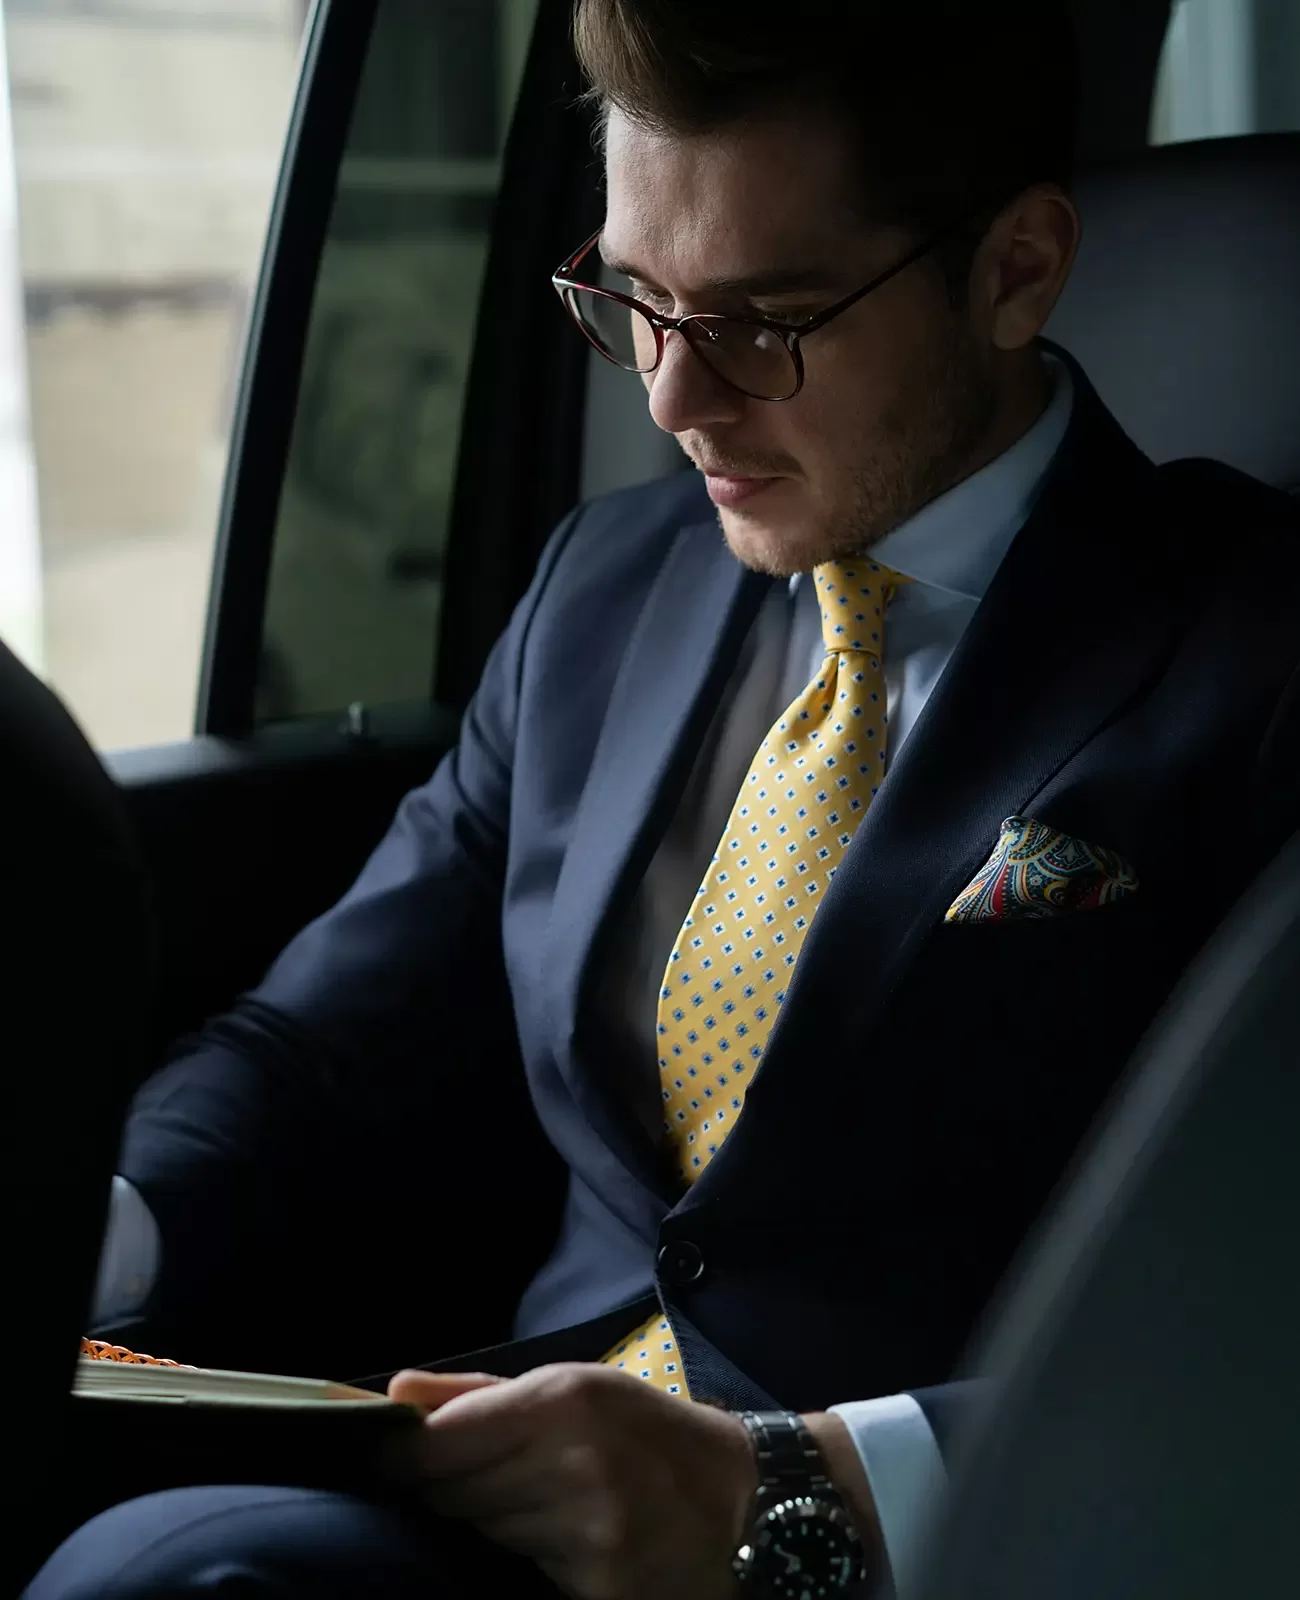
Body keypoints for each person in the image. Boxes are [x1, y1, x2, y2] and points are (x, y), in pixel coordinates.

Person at [29, 1, 1300, 1596]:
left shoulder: (1258, 655)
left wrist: (813, 1491)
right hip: (501, 1488)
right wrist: (91, 1232)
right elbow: (327, 1045)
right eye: (634, 299)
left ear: (1015, 271)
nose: (671, 401)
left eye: (765, 319)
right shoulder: (601, 592)